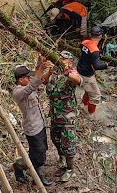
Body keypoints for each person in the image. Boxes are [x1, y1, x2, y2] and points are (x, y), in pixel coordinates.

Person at [12, 59, 53, 186]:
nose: (30, 79)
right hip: (32, 128)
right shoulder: (19, 92)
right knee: (39, 155)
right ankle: (20, 166)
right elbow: (33, 85)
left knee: (41, 151)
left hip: (40, 124)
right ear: (20, 80)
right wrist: (41, 69)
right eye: (27, 77)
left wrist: (45, 67)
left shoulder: (28, 85)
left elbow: (36, 78)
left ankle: (35, 173)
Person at [44, 50, 81, 182]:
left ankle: (70, 168)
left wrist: (68, 73)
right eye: (59, 58)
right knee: (55, 139)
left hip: (67, 117)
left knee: (69, 144)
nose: (59, 60)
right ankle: (61, 156)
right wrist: (49, 70)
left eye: (63, 59)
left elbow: (78, 80)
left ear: (70, 62)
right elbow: (45, 81)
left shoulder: (71, 73)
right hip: (54, 115)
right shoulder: (54, 73)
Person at [77, 26, 108, 114]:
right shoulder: (94, 50)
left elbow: (87, 55)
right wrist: (107, 65)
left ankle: (83, 104)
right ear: (100, 36)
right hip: (87, 75)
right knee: (96, 96)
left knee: (88, 90)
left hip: (80, 69)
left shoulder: (84, 43)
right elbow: (97, 66)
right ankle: (90, 114)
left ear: (90, 35)